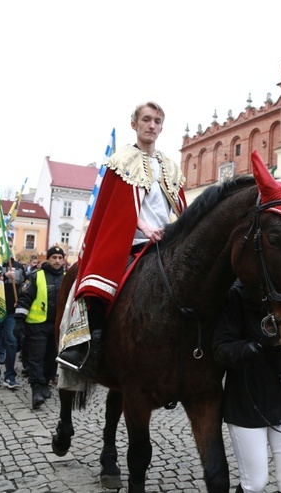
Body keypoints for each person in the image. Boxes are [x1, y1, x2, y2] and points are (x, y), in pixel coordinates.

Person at [57, 101, 186, 376]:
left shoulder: (170, 168)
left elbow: (181, 207)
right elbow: (116, 207)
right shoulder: (121, 161)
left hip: (164, 242)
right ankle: (91, 344)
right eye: (147, 120)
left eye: (157, 122)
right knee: (100, 283)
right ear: (134, 124)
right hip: (130, 241)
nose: (152, 126)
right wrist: (144, 227)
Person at [213, 280, 281, 493]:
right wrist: (253, 347)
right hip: (247, 402)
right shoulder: (236, 295)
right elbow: (220, 349)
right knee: (255, 483)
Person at [15, 246, 66, 408]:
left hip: (58, 327)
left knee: (52, 358)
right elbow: (24, 299)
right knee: (36, 359)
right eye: (54, 258)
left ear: (63, 260)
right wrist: (19, 321)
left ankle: (44, 384)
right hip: (37, 325)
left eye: (60, 258)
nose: (57, 261)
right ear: (48, 259)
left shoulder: (67, 277)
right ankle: (36, 390)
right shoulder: (36, 276)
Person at [0, 239, 25, 389]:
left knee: (12, 342)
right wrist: (3, 277)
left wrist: (19, 300)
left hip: (11, 311)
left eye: (8, 246)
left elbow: (23, 288)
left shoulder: (18, 266)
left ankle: (10, 376)